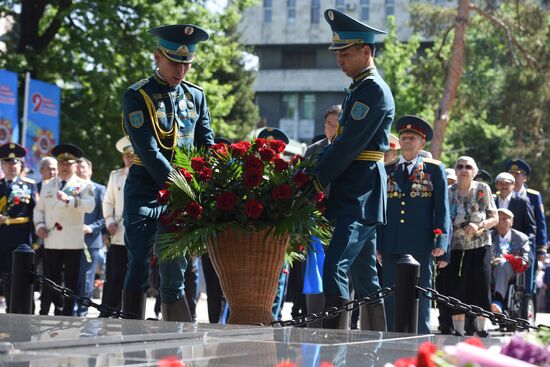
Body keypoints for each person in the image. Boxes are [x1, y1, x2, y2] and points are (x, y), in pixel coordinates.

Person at [122, 24, 214, 320]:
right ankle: (130, 333)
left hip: (181, 193)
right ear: (157, 56)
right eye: (175, 62)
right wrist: (180, 186)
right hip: (145, 189)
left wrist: (204, 183)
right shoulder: (137, 96)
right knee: (137, 264)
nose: (181, 70)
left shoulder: (196, 96)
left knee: (175, 268)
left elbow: (206, 144)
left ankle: (176, 342)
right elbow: (148, 151)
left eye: (186, 63)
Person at [312, 8, 395, 330]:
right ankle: (376, 349)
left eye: (345, 53)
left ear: (366, 51)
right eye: (337, 53)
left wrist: (313, 179)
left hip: (359, 191)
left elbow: (347, 146)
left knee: (335, 266)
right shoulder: (360, 88)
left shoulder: (372, 90)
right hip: (356, 189)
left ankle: (335, 348)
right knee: (365, 276)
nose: (339, 60)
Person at [378, 116, 450, 333]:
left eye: (412, 138)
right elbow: (379, 209)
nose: (407, 141)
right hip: (391, 242)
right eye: (404, 137)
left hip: (421, 244)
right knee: (390, 297)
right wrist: (377, 243)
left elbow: (442, 208)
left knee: (422, 295)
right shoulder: (387, 169)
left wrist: (442, 241)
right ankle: (391, 340)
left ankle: (420, 341)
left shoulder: (434, 170)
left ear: (422, 143)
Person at [34, 144, 95, 316]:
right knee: (49, 279)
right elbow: (39, 210)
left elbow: (90, 206)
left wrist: (69, 200)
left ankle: (67, 314)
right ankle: (44, 311)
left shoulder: (84, 185)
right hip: (51, 239)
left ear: (76, 165)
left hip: (72, 241)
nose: (65, 167)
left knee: (70, 282)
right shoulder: (47, 185)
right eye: (61, 164)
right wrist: (39, 226)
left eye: (69, 164)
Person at [447, 156, 498, 336]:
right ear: (455, 170)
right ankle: (459, 331)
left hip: (480, 245)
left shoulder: (483, 189)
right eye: (460, 166)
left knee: (481, 286)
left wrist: (479, 225)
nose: (463, 170)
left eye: (468, 167)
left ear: (474, 172)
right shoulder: (449, 191)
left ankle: (482, 330)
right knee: (457, 288)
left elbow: (495, 218)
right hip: (457, 247)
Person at [0, 143, 38, 312]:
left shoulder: (29, 185)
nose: (11, 166)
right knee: (4, 277)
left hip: (21, 240)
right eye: (7, 162)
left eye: (14, 162)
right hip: (1, 239)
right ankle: (8, 310)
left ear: (20, 165)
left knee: (22, 277)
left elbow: (36, 214)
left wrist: (36, 241)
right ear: (2, 165)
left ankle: (26, 311)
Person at [99, 136, 134, 317]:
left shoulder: (147, 175)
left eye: (133, 155)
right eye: (126, 156)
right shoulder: (116, 176)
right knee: (114, 275)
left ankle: (130, 311)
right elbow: (108, 201)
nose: (129, 159)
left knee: (134, 276)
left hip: (138, 234)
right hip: (119, 232)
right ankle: (109, 310)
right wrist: (109, 221)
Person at [75, 157, 106, 316]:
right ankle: (71, 308)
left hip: (91, 241)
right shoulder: (71, 189)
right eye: (77, 167)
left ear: (90, 170)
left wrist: (91, 228)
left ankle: (82, 310)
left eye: (83, 168)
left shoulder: (99, 189)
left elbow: (105, 216)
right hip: (71, 241)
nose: (80, 170)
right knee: (72, 277)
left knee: (87, 278)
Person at [490, 208, 531, 313]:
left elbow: (527, 259)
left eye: (504, 218)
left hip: (512, 273)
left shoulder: (521, 238)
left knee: (503, 265)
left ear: (511, 222)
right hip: (490, 271)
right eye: (498, 219)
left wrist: (508, 259)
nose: (501, 221)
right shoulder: (488, 237)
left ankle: (497, 302)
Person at [506, 159, 548, 258]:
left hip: (527, 245)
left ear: (524, 177)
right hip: (505, 244)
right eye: (511, 174)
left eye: (517, 174)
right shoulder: (501, 196)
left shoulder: (533, 196)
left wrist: (541, 247)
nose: (513, 177)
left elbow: (540, 222)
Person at [493, 172, 536, 243]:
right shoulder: (492, 202)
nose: (504, 186)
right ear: (497, 186)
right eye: (501, 183)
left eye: (507, 183)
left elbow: (530, 226)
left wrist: (527, 244)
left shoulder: (522, 202)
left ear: (513, 185)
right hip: (495, 245)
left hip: (517, 246)